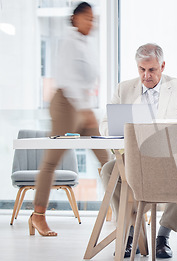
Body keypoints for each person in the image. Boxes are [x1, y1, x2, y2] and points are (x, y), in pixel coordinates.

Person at [99, 43, 177, 258]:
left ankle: (163, 235)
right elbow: (105, 124)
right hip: (135, 158)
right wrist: (127, 130)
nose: (146, 75)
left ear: (162, 66)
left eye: (151, 70)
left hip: (169, 157)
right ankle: (132, 232)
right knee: (108, 171)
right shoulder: (123, 89)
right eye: (142, 70)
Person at [29, 2, 109, 237]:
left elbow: (91, 78)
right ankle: (38, 216)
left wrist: (88, 107)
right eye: (87, 18)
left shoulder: (87, 43)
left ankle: (123, 208)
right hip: (66, 105)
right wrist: (84, 109)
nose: (91, 23)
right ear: (74, 18)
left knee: (107, 159)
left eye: (93, 19)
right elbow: (67, 77)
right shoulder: (68, 41)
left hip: (83, 106)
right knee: (52, 160)